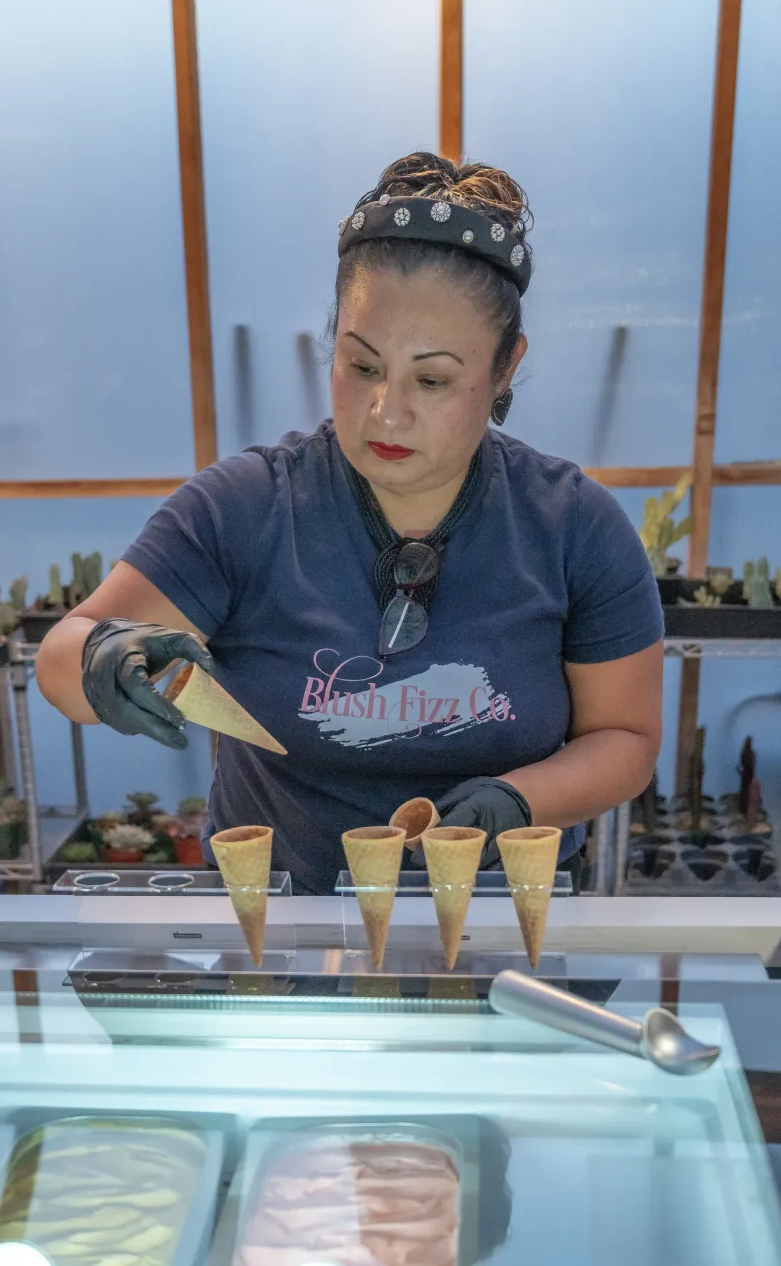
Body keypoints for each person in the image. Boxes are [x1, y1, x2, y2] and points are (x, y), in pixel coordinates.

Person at [37, 151, 664, 895]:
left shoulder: (573, 526)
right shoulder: (246, 508)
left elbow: (625, 737)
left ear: (504, 369)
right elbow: (62, 654)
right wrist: (102, 656)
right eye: (362, 366)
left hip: (501, 921)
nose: (386, 413)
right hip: (280, 926)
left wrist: (521, 800)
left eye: (432, 379)